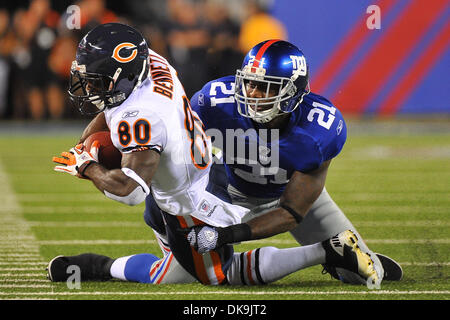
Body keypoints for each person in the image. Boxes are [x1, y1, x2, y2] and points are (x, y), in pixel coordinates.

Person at [48, 24, 381, 289]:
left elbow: (292, 212)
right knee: (179, 275)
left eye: (266, 88)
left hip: (290, 198)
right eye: (250, 84)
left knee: (369, 274)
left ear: (294, 92)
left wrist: (227, 234)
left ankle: (333, 252)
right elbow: (180, 141)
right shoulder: (216, 101)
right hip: (229, 191)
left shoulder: (319, 130)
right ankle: (100, 266)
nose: (252, 95)